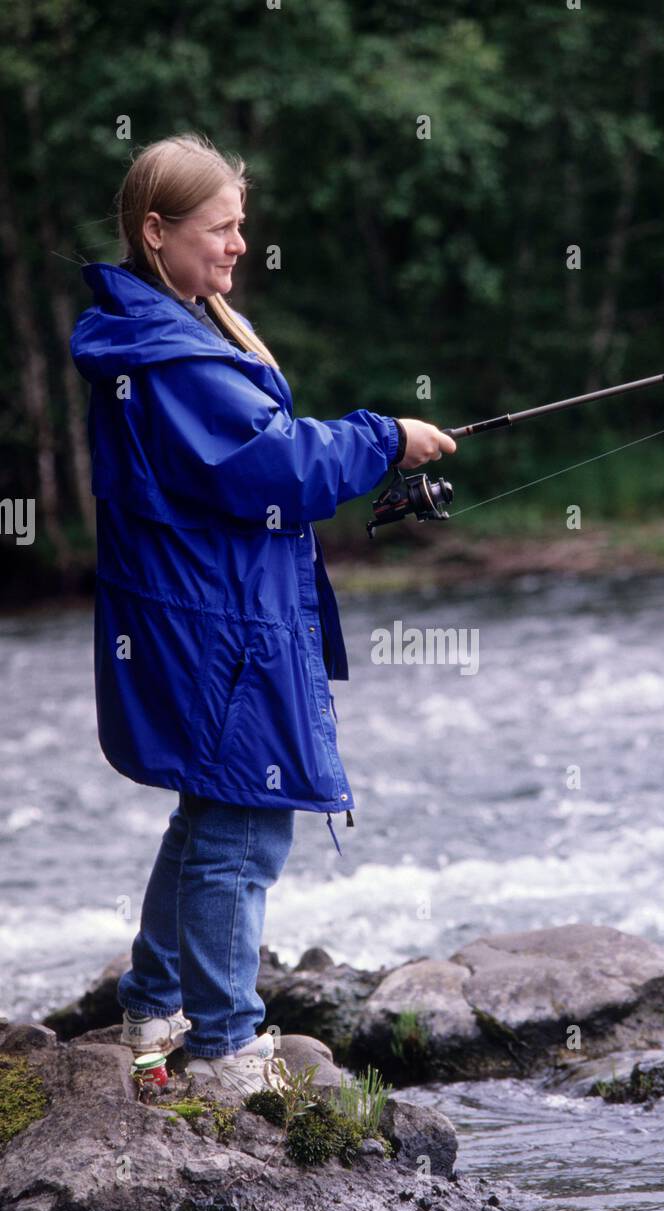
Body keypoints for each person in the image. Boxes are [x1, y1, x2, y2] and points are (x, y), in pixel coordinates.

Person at [69, 131, 457, 1098]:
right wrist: (384, 438)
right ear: (156, 233)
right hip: (216, 628)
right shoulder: (171, 356)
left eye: (243, 226)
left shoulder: (174, 331)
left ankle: (155, 1005)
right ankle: (224, 1048)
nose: (240, 244)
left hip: (215, 618)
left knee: (213, 812)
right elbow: (273, 466)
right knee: (244, 826)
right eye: (223, 227)